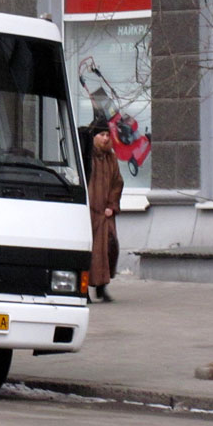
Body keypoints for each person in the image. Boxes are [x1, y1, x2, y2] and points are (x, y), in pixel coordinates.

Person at [87, 115, 123, 303]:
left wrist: (112, 206)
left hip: (106, 214)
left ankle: (102, 287)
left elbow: (117, 183)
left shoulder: (111, 158)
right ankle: (84, 289)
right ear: (93, 136)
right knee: (89, 251)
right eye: (102, 134)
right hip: (89, 214)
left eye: (107, 134)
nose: (106, 138)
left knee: (109, 249)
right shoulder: (87, 157)